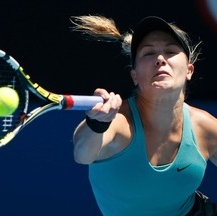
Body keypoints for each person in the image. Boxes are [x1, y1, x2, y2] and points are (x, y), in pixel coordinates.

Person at [71, 15, 217, 216]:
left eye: (171, 51)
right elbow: (82, 153)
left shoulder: (205, 127)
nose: (160, 59)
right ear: (135, 76)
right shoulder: (119, 122)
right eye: (148, 53)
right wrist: (97, 123)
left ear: (189, 71)